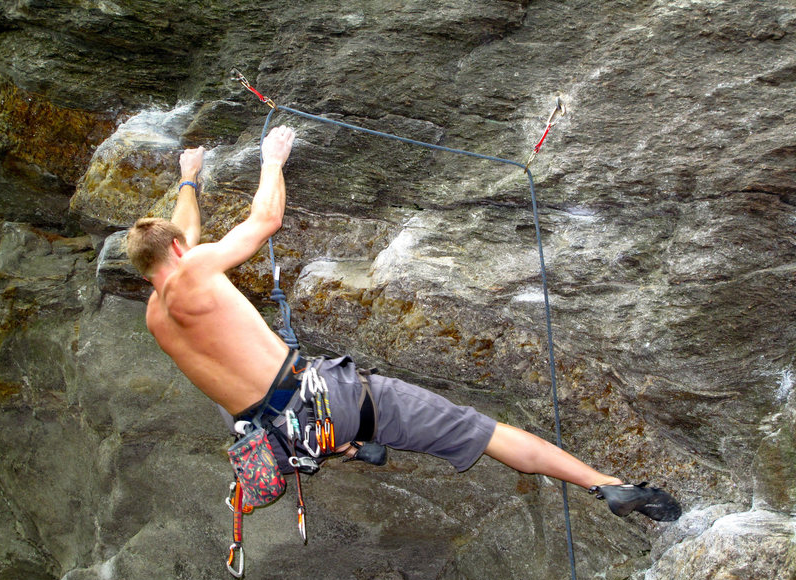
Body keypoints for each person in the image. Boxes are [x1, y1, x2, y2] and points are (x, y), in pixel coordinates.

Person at [126, 125, 681, 522]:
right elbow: (265, 220)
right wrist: (272, 160)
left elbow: (180, 235)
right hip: (326, 403)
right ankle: (607, 485)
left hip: (279, 434)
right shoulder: (195, 267)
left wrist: (189, 179)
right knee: (477, 430)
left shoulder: (157, 314)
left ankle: (355, 445)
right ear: (180, 249)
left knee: (280, 396)